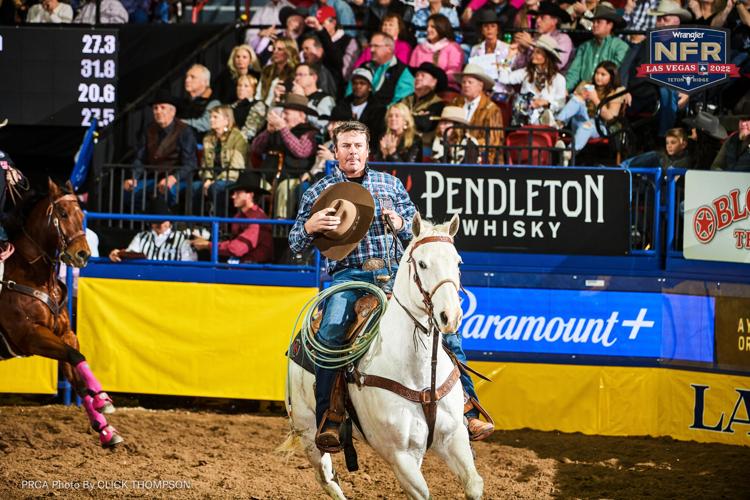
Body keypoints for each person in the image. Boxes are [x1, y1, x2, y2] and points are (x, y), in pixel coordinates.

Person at [288, 120, 494, 452]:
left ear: (368, 150)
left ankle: (468, 405)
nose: (352, 152)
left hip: (395, 276)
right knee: (331, 331)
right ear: (336, 150)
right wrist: (310, 226)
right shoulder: (318, 191)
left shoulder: (391, 185)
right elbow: (295, 243)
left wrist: (401, 226)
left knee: (448, 331)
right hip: (348, 278)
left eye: (358, 146)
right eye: (345, 146)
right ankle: (330, 415)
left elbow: (420, 234)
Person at [125, 90, 197, 208]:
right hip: (154, 178)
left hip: (177, 179)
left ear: (172, 112)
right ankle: (144, 223)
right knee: (131, 192)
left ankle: (168, 223)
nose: (158, 111)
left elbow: (190, 163)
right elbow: (140, 158)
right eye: (155, 108)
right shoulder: (149, 130)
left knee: (167, 192)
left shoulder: (184, 131)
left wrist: (174, 178)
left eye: (162, 108)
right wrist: (134, 178)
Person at [251, 94, 318, 217]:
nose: (283, 117)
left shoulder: (309, 133)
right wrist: (268, 132)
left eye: (287, 113)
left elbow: (302, 151)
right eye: (283, 113)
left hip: (293, 177)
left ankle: (280, 226)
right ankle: (256, 223)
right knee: (252, 184)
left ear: (301, 116)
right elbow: (256, 148)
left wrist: (283, 128)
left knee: (284, 189)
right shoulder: (277, 130)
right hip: (269, 177)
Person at [190, 172, 273, 263]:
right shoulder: (240, 215)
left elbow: (238, 249)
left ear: (250, 195)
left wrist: (207, 245)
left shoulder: (256, 218)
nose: (233, 196)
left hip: (253, 268)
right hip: (242, 264)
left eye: (238, 193)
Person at [499, 35, 567, 126]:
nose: (533, 55)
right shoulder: (526, 72)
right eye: (534, 52)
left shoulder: (559, 79)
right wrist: (509, 57)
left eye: (538, 52)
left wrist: (545, 103)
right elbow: (504, 79)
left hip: (547, 126)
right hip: (524, 122)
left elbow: (561, 105)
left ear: (547, 56)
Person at [556, 60, 625, 151]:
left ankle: (569, 152)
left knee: (587, 125)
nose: (598, 77)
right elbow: (572, 103)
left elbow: (610, 117)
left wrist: (595, 99)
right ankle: (558, 123)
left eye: (603, 74)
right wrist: (581, 97)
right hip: (579, 120)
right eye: (597, 73)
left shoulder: (616, 92)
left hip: (600, 126)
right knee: (577, 99)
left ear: (611, 77)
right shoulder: (586, 84)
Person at [194, 105, 248, 217]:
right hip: (213, 179)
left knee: (216, 187)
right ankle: (196, 224)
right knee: (194, 187)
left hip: (232, 178)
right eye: (210, 117)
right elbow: (205, 164)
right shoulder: (208, 138)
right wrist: (208, 179)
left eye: (215, 117)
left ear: (226, 120)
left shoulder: (238, 137)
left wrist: (214, 181)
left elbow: (236, 167)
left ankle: (219, 225)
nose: (211, 120)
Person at [109, 197, 197, 262]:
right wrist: (118, 254)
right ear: (150, 222)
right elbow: (129, 254)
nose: (160, 224)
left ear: (170, 221)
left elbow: (188, 265)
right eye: (156, 221)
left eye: (163, 220)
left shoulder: (182, 238)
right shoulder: (141, 237)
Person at [565, 4, 629, 93]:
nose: (594, 25)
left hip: (607, 92)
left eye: (598, 22)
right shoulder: (585, 46)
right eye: (594, 22)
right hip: (584, 89)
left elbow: (617, 73)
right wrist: (565, 89)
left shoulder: (621, 47)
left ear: (609, 25)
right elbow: (574, 72)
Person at [450, 63, 505, 163]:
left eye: (470, 82)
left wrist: (471, 145)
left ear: (480, 85)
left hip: (483, 159)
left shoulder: (491, 109)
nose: (466, 85)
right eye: (464, 82)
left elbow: (494, 140)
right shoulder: (456, 103)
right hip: (454, 155)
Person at [352, 32, 414, 107]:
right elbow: (349, 94)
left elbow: (401, 103)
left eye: (376, 46)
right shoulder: (364, 67)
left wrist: (378, 114)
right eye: (370, 46)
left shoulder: (402, 71)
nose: (371, 50)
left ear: (389, 49)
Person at [331, 68, 387, 150]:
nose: (358, 86)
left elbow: (376, 135)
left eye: (362, 83)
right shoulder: (341, 106)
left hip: (368, 151)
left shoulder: (378, 109)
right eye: (355, 83)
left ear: (370, 87)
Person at [408, 14, 464, 91]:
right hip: (420, 89)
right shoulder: (419, 48)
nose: (428, 30)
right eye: (427, 26)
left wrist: (434, 81)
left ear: (441, 27)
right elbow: (411, 72)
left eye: (432, 27)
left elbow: (454, 74)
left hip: (446, 89)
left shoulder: (453, 48)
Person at [304, 6, 360, 83]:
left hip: (338, 86)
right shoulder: (315, 38)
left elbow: (342, 68)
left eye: (322, 23)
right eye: (318, 23)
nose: (319, 26)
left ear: (333, 22)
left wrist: (321, 32)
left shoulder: (349, 41)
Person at [469, 9, 513, 104]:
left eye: (493, 26)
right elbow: (473, 72)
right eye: (486, 26)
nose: (489, 29)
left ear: (497, 29)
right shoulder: (475, 49)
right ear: (481, 30)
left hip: (500, 91)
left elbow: (507, 71)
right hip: (480, 91)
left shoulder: (507, 49)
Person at [513, 2, 573, 71]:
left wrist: (531, 46)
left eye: (542, 17)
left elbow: (556, 65)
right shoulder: (535, 38)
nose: (537, 21)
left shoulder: (563, 39)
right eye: (537, 17)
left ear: (554, 21)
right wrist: (523, 49)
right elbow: (518, 66)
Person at [398, 62, 447, 145]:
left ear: (434, 82)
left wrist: (402, 117)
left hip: (422, 144)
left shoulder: (438, 104)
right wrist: (416, 117)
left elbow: (425, 125)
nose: (418, 78)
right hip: (400, 140)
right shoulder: (406, 99)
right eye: (416, 75)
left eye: (422, 75)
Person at [181, 64, 221, 142]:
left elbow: (206, 124)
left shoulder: (214, 102)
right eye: (187, 76)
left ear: (205, 82)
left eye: (192, 77)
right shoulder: (186, 102)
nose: (187, 80)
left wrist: (179, 123)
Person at [292, 63, 336, 134]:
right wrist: (277, 98)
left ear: (314, 78)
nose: (296, 78)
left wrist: (301, 99)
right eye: (296, 75)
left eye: (301, 75)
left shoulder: (325, 98)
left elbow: (322, 125)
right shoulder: (293, 95)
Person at [257, 37, 299, 106]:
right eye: (274, 49)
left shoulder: (295, 72)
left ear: (289, 51)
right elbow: (259, 95)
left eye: (280, 49)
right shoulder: (267, 70)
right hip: (263, 108)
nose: (275, 52)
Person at [711, 103, 750, 171]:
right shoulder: (731, 139)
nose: (743, 124)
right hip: (728, 180)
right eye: (742, 120)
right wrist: (721, 176)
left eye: (748, 120)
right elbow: (717, 165)